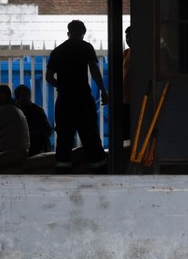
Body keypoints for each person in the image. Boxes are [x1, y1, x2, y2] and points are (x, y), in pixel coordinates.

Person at [45, 19, 109, 173]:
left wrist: (61, 86)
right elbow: (94, 70)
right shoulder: (86, 47)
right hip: (82, 100)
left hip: (64, 101)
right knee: (90, 137)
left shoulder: (58, 51)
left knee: (64, 139)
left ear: (68, 32)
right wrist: (103, 91)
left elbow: (48, 77)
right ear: (83, 33)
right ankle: (100, 171)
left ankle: (63, 172)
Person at [14, 84, 52, 157]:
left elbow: (48, 130)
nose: (26, 98)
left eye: (27, 95)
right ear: (17, 98)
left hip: (35, 143)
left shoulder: (37, 110)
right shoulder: (14, 111)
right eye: (23, 96)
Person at [123, 25, 131, 141]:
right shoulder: (126, 53)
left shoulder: (144, 54)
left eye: (130, 37)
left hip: (136, 99)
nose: (128, 39)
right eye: (127, 37)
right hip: (124, 99)